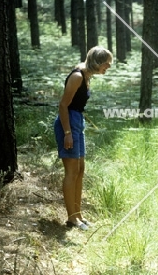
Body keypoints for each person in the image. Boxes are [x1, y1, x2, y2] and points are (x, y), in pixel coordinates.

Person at [54, 46, 113, 230]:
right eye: (106, 64)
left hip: (78, 122)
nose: (108, 67)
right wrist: (67, 133)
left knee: (80, 169)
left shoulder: (87, 74)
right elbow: (63, 106)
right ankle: (71, 218)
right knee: (71, 172)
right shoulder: (78, 76)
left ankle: (78, 215)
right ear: (97, 62)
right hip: (68, 124)